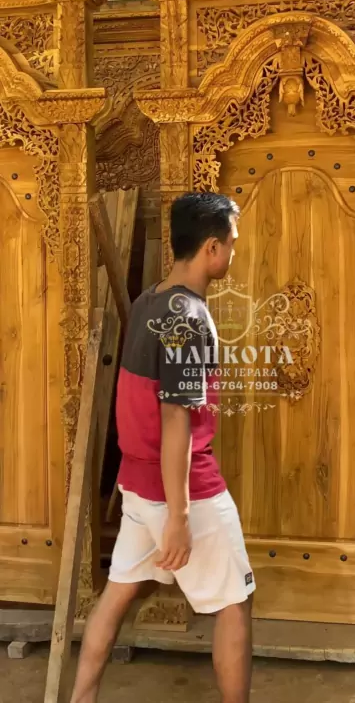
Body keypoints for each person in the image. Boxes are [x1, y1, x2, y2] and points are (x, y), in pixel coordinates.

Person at [69, 192, 254, 703]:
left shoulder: (149, 300)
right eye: (232, 242)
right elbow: (176, 419)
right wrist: (179, 515)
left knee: (117, 593)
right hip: (183, 488)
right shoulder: (188, 320)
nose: (234, 252)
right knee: (235, 603)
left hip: (137, 484)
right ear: (211, 248)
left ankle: (80, 699)